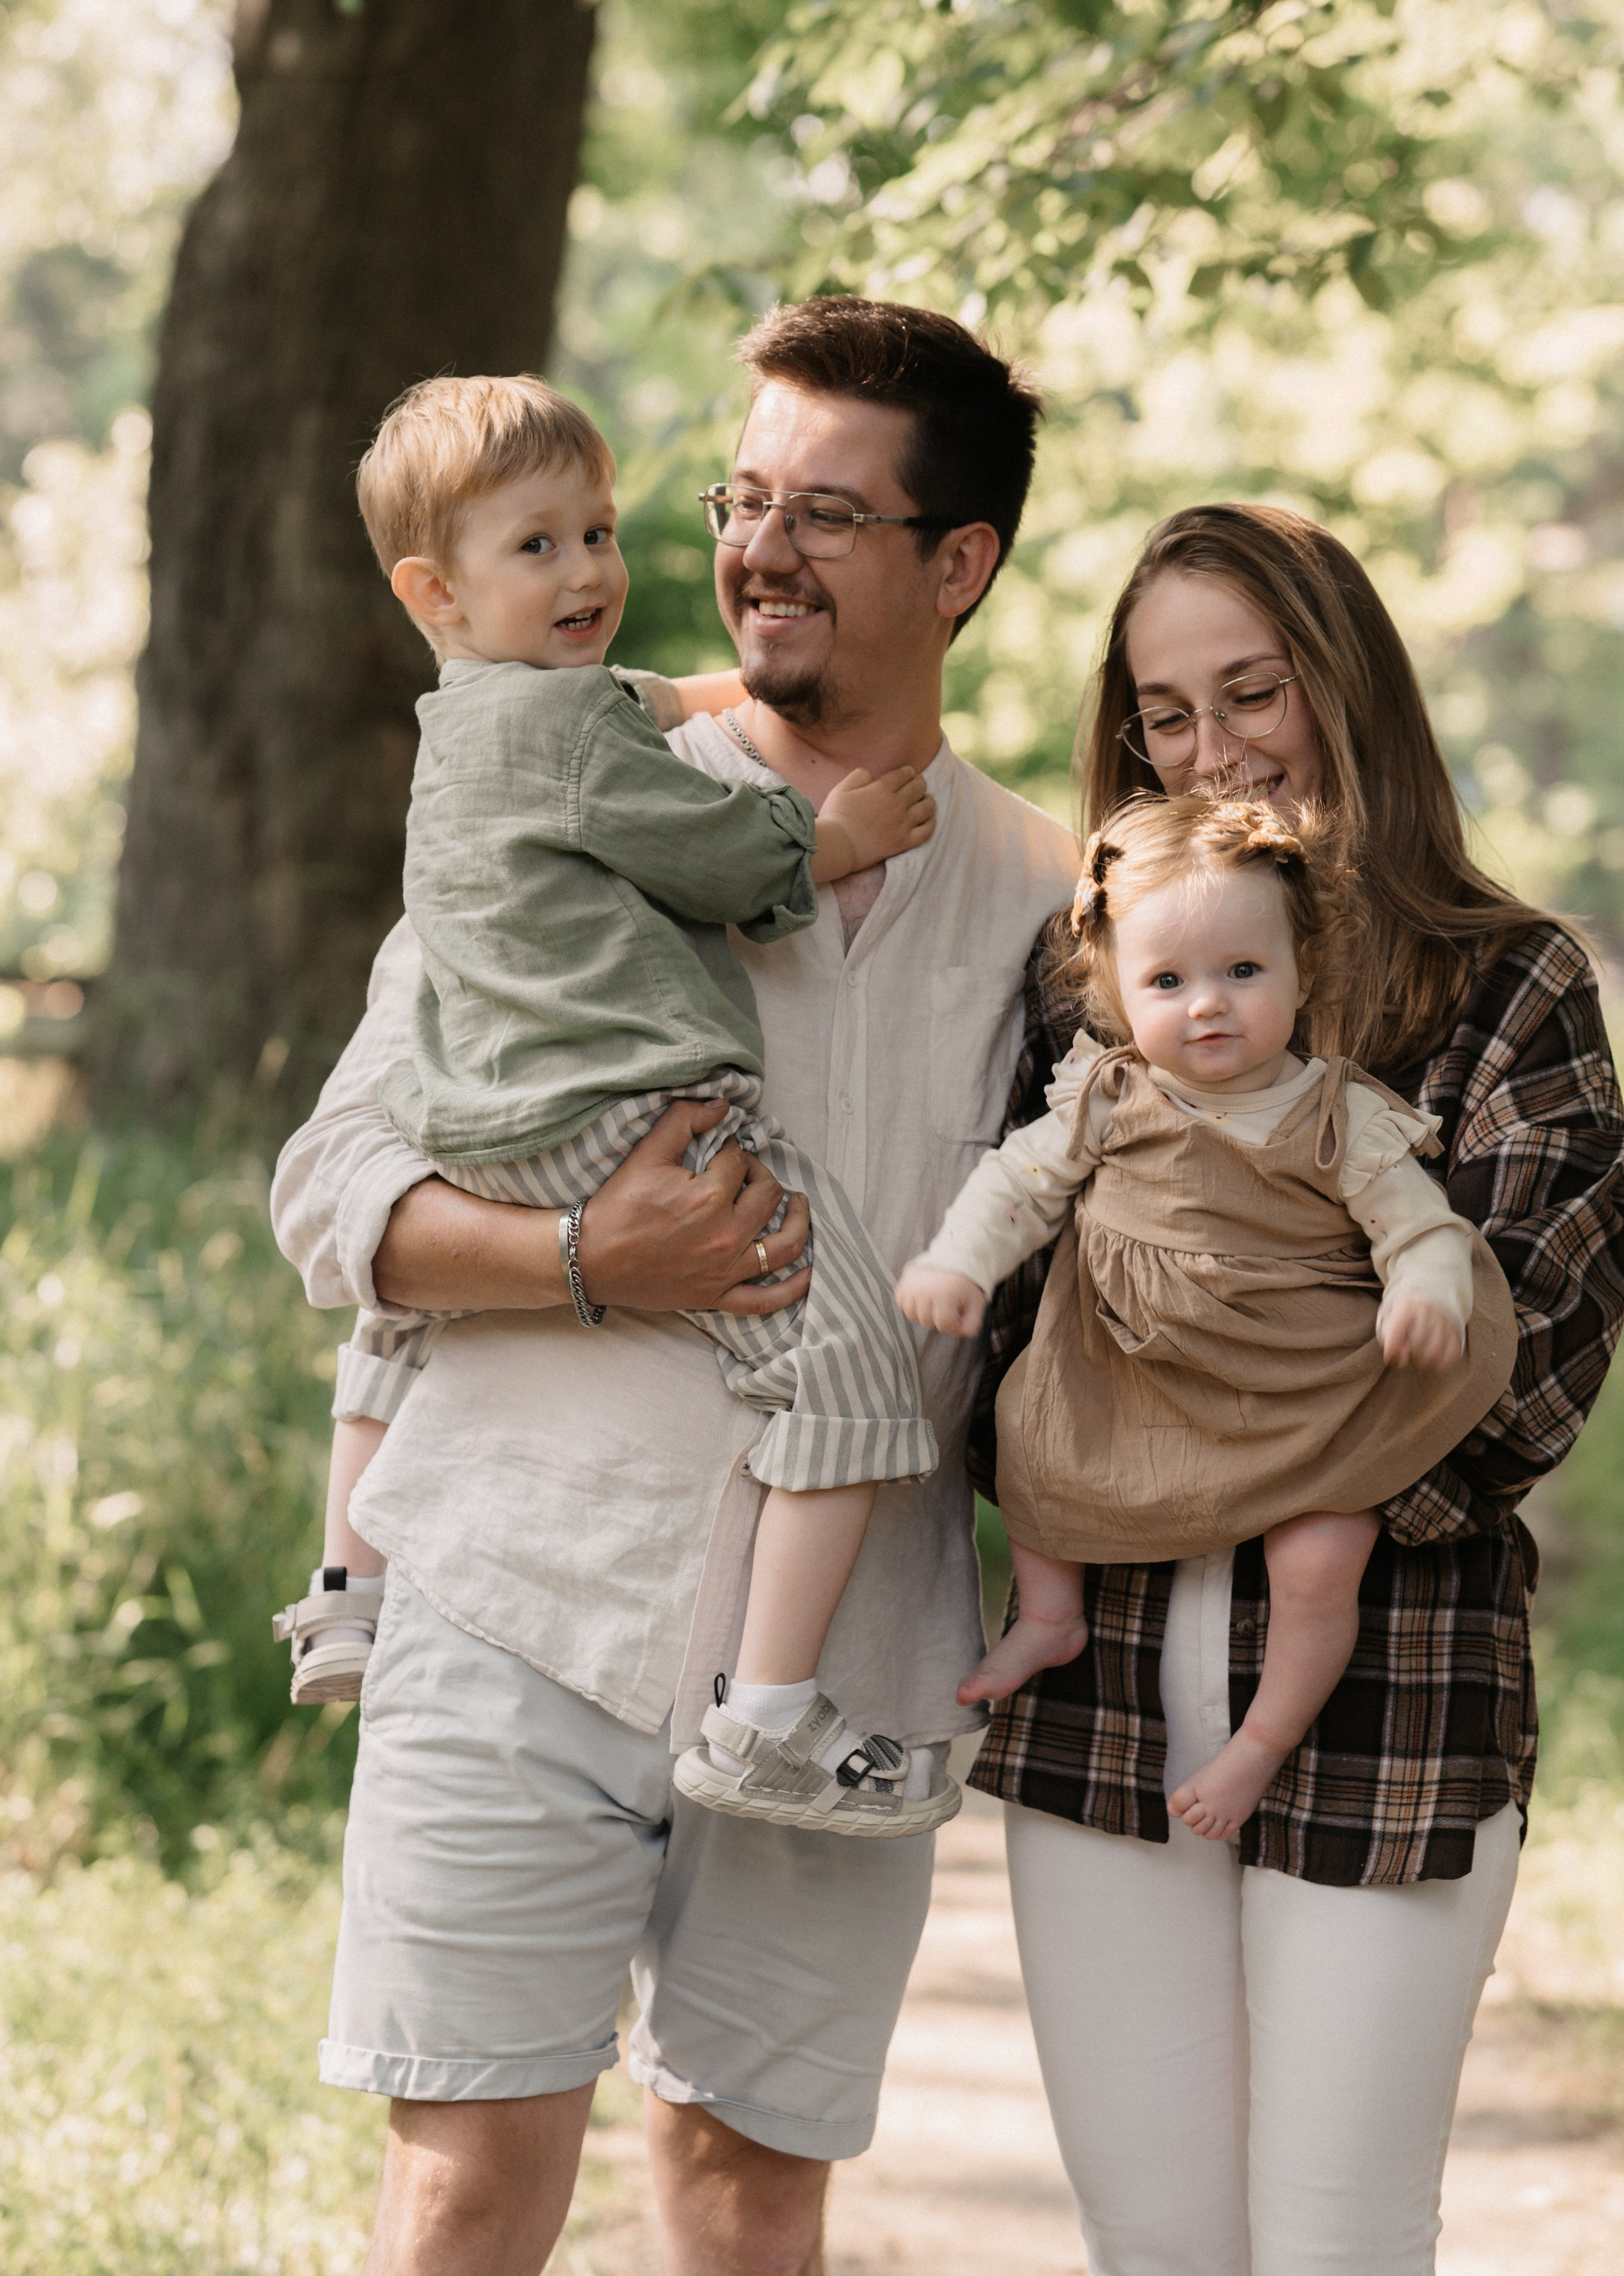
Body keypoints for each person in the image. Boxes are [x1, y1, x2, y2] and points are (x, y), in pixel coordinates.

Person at [269, 297, 1079, 2276]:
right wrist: (572, 1253)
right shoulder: (564, 777)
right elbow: (335, 1182)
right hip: (511, 1582)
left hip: (839, 1658)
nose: (756, 548)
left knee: (744, 2193)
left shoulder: (1056, 901)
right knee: (463, 2189)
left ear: (957, 564)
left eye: (827, 511)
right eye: (741, 496)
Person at [965, 502, 1624, 2276]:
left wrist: (1156, 1420)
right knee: (1156, 2243)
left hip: (1392, 1692)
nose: (1209, 747)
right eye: (1161, 716)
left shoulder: (1509, 985)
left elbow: (1516, 1372)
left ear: (1345, 685)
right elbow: (1003, 1333)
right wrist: (1291, 1388)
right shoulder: (1094, 978)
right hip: (1101, 1697)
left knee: (1336, 2246)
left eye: (1250, 691)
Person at [272, 370, 957, 1839]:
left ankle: (345, 1589)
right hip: (629, 1104)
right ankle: (770, 1714)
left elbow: (624, 708)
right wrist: (824, 836)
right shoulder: (580, 744)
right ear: (431, 589)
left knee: (403, 1309)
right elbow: (708, 853)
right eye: (539, 547)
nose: (588, 568)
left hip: (486, 1111)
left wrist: (711, 693)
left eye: (595, 531)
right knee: (848, 1367)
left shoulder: (475, 717)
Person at [898, 792, 1518, 1840]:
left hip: (1301, 1386)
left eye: (1242, 972)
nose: (1207, 1006)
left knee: (1321, 1560)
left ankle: (1257, 1747)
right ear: (1113, 991)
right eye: (1167, 981)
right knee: (1029, 1442)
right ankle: (1050, 1616)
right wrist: (959, 1262)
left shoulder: (1336, 1110)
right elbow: (1016, 1185)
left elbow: (1416, 1223)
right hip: (1132, 1368)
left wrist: (1423, 1293)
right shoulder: (1103, 1093)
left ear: (1300, 973)